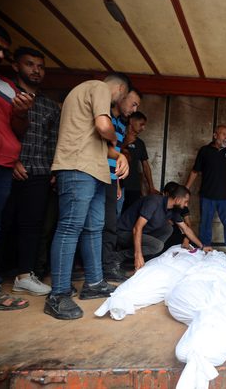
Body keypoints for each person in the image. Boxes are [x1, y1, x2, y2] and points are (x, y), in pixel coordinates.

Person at [46, 72, 131, 320]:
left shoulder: (86, 94)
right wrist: (115, 137)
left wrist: (121, 155)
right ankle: (58, 294)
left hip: (94, 170)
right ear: (121, 89)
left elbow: (103, 145)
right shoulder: (99, 88)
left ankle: (94, 284)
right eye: (123, 98)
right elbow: (104, 127)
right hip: (77, 166)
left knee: (94, 228)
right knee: (70, 227)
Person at [0, 17, 34, 311]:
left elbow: (17, 131)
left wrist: (23, 114)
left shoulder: (8, 88)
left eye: (3, 50)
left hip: (0, 165)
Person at [0, 47, 59, 296]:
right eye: (30, 64)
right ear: (15, 66)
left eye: (40, 66)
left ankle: (24, 275)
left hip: (40, 172)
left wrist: (55, 171)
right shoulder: (2, 93)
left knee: (31, 226)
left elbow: (54, 142)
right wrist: (12, 161)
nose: (36, 70)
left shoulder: (49, 106)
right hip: (4, 168)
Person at [114, 184, 212, 272]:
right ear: (177, 199)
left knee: (168, 228)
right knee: (158, 246)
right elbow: (137, 228)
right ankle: (116, 257)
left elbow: (186, 229)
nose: (186, 205)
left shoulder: (173, 210)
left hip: (141, 234)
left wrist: (202, 247)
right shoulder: (154, 202)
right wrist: (137, 255)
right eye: (185, 202)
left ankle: (147, 258)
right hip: (123, 233)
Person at [185, 125, 226, 265]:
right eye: (223, 134)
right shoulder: (204, 151)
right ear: (215, 135)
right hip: (207, 195)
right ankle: (205, 253)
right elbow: (194, 171)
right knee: (205, 225)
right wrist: (185, 189)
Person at [101, 87, 142, 283]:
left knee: (110, 226)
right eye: (133, 104)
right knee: (92, 226)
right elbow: (103, 150)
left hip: (111, 179)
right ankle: (93, 266)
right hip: (97, 177)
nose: (134, 109)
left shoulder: (118, 123)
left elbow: (115, 157)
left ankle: (106, 266)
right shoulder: (104, 118)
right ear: (121, 97)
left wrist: (117, 183)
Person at [121, 111, 160, 213]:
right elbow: (108, 152)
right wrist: (125, 142)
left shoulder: (140, 143)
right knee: (115, 217)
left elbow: (145, 166)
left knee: (131, 217)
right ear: (131, 121)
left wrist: (151, 187)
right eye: (141, 124)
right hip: (119, 184)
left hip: (135, 186)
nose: (143, 128)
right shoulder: (117, 135)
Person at [161, 181, 197, 251]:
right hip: (163, 236)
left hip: (175, 235)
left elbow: (188, 225)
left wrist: (186, 239)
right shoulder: (160, 204)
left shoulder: (182, 205)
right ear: (167, 194)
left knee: (191, 239)